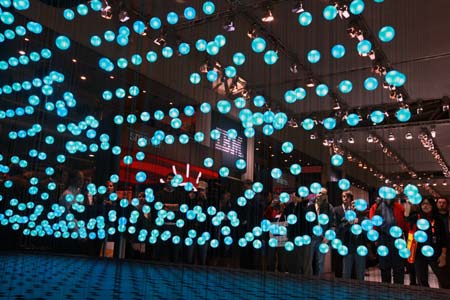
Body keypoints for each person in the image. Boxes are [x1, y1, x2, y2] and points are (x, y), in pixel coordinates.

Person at [406, 198, 448, 288]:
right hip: (419, 254)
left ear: (432, 205)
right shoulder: (416, 218)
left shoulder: (438, 220)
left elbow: (444, 239)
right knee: (422, 281)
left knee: (444, 280)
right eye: (423, 204)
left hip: (436, 253)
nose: (425, 206)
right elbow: (406, 217)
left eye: (428, 204)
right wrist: (408, 205)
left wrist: (443, 255)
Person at [369, 197, 408, 284]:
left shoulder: (399, 207)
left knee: (399, 267)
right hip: (383, 237)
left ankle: (398, 290)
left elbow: (405, 223)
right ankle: (386, 290)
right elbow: (373, 223)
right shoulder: (376, 207)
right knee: (384, 267)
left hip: (397, 238)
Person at [334, 191, 367, 281]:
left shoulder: (363, 217)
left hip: (360, 247)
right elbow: (339, 229)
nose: (353, 207)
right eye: (352, 205)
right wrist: (348, 223)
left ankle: (360, 291)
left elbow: (366, 232)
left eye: (355, 205)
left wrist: (359, 221)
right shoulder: (346, 217)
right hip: (347, 247)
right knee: (346, 273)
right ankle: (346, 292)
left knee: (360, 273)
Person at [308, 187, 334, 276]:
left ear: (326, 196)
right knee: (308, 261)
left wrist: (328, 236)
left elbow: (333, 224)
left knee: (320, 262)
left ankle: (319, 283)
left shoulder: (328, 207)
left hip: (322, 238)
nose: (320, 195)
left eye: (322, 193)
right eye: (319, 192)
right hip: (311, 237)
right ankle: (309, 282)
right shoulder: (310, 205)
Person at [436, 197, 450, 288]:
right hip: (439, 247)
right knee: (441, 273)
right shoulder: (434, 218)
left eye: (444, 203)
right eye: (440, 202)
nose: (441, 204)